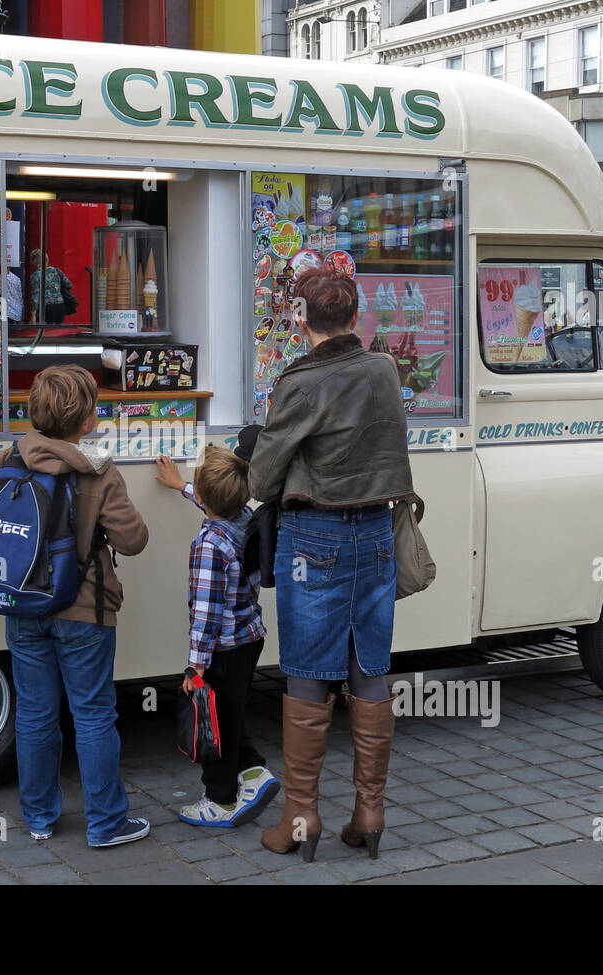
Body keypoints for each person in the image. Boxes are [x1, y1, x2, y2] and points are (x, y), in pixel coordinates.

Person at [248, 267, 415, 862]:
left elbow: (262, 477)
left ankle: (301, 815)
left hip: (312, 536)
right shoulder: (383, 370)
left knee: (307, 671)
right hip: (374, 534)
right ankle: (370, 811)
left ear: (300, 319)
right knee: (369, 666)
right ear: (355, 318)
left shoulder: (298, 383)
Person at [0, 364, 151, 847]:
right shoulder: (98, 469)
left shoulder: (7, 458)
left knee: (34, 713)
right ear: (87, 420)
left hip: (23, 605)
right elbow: (134, 541)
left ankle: (39, 818)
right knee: (92, 713)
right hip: (84, 609)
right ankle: (107, 823)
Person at [153, 447, 279, 828]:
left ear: (205, 499)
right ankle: (254, 772)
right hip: (248, 637)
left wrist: (195, 668)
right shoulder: (244, 517)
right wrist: (182, 486)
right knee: (229, 711)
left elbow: (205, 616)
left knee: (213, 724)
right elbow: (218, 503)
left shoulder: (208, 547)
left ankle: (219, 799)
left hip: (221, 647)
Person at [28, 249, 74, 325]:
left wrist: (33, 315)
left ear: (34, 261)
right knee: (56, 332)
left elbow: (35, 296)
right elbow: (69, 284)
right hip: (60, 306)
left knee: (44, 333)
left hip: (45, 308)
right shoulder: (56, 271)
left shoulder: (35, 276)